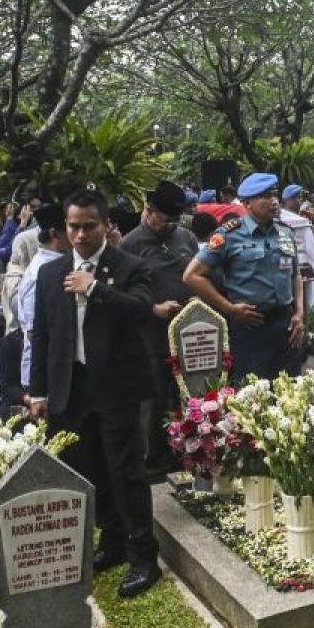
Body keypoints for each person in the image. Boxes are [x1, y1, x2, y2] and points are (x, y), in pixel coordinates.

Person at [27, 189, 160, 599]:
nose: (80, 235)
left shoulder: (130, 265)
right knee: (89, 470)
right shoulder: (51, 272)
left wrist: (95, 288)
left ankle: (144, 556)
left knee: (126, 471)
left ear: (105, 225)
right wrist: (38, 391)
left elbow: (142, 309)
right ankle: (113, 539)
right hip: (72, 388)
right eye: (73, 227)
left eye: (89, 226)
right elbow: (43, 335)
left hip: (117, 387)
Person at [183, 172, 306, 383]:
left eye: (274, 194)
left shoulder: (285, 233)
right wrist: (229, 308)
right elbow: (191, 276)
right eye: (265, 196)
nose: (273, 201)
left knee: (292, 390)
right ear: (247, 203)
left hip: (285, 324)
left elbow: (296, 276)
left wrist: (299, 313)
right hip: (250, 325)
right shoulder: (229, 235)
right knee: (253, 393)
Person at [120, 181, 200, 472]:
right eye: (165, 220)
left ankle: (191, 450)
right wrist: (154, 307)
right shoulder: (130, 244)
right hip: (151, 335)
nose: (170, 226)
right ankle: (151, 457)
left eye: (175, 221)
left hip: (188, 333)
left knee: (190, 392)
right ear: (149, 211)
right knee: (153, 397)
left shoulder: (186, 237)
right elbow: (123, 296)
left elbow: (199, 273)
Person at [16, 205, 68, 395]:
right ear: (54, 233)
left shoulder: (60, 263)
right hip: (43, 372)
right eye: (71, 228)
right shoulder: (40, 271)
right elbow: (33, 331)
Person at [279, 184, 314, 316]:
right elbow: (310, 246)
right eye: (296, 198)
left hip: (303, 268)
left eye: (300, 198)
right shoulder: (279, 217)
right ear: (287, 200)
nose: (299, 201)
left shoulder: (307, 217)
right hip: (290, 267)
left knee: (305, 306)